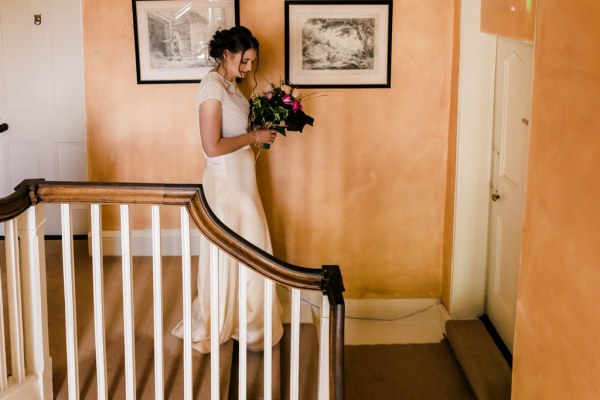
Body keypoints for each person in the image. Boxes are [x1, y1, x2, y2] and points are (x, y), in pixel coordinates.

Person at [172, 26, 283, 353]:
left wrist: (260, 128)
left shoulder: (231, 86)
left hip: (242, 181)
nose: (248, 68)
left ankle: (249, 323)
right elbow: (211, 146)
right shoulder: (211, 88)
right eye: (244, 61)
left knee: (250, 246)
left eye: (252, 62)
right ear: (225, 55)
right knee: (234, 248)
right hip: (225, 182)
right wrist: (254, 138)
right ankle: (224, 320)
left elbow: (234, 129)